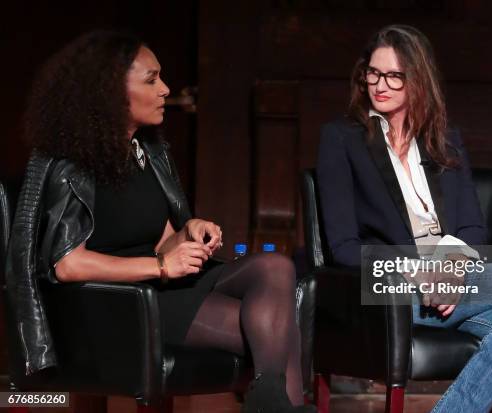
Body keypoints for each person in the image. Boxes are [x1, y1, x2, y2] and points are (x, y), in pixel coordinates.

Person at [10, 30, 315, 413]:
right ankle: (275, 403)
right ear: (109, 90)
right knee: (275, 329)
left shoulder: (148, 152)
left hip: (161, 286)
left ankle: (270, 402)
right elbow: (68, 264)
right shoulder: (70, 165)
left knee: (275, 267)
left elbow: (162, 241)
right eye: (152, 80)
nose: (166, 90)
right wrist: (159, 266)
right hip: (118, 303)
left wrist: (189, 233)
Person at [317, 25, 492, 412]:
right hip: (394, 288)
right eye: (373, 72)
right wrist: (419, 272)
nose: (379, 84)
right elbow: (343, 248)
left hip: (456, 281)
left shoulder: (444, 139)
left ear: (418, 81)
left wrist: (450, 269)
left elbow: (471, 228)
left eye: (394, 76)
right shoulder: (341, 139)